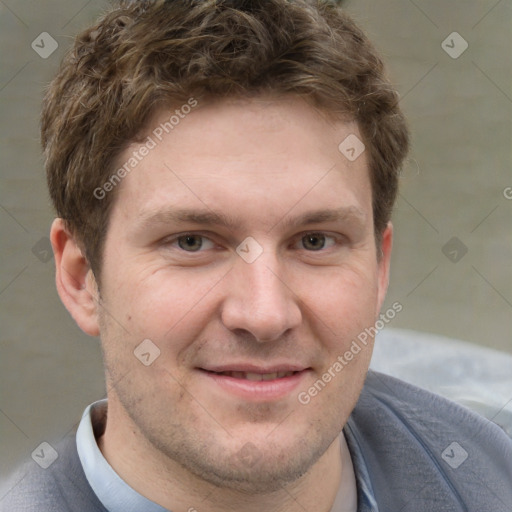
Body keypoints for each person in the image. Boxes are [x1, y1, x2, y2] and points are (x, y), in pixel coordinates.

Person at [2, 0, 511, 511]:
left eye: (315, 241)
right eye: (192, 242)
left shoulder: (492, 477)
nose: (266, 315)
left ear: (379, 270)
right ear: (82, 278)